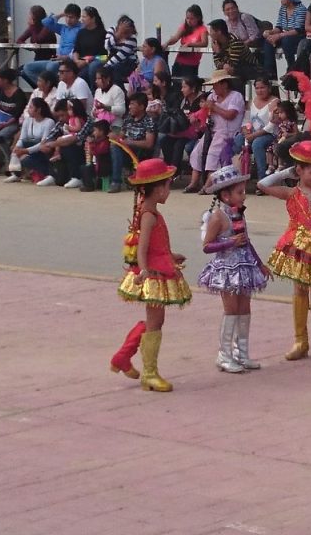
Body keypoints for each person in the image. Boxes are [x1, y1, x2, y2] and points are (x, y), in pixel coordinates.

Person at [257, 141, 311, 369]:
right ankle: (300, 341)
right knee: (299, 292)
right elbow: (263, 184)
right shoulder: (291, 193)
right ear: (299, 171)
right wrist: (285, 172)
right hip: (297, 246)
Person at [110, 158, 192, 392]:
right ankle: (149, 374)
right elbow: (143, 247)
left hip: (159, 266)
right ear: (157, 189)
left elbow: (156, 245)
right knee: (156, 322)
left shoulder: (149, 210)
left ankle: (123, 357)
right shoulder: (149, 214)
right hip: (154, 274)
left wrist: (170, 254)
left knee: (155, 320)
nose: (168, 191)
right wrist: (145, 270)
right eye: (167, 186)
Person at [198, 165, 271, 373]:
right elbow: (206, 246)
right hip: (227, 269)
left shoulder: (239, 214)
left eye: (243, 191)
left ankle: (242, 353)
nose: (244, 196)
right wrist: (229, 242)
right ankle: (224, 354)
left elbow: (247, 241)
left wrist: (260, 264)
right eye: (240, 192)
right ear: (225, 195)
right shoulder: (218, 217)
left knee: (244, 309)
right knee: (230, 310)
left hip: (245, 266)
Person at [185, 69, 244, 193]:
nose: (214, 88)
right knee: (197, 152)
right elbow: (208, 115)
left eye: (216, 84)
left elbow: (231, 115)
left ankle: (208, 186)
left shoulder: (236, 96)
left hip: (228, 132)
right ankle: (193, 183)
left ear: (224, 84)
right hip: (211, 130)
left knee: (213, 154)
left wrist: (214, 107)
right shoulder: (212, 96)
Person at [0, 68, 28, 175]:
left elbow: (17, 114)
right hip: (0, 120)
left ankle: (9, 160)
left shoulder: (18, 93)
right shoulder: (0, 90)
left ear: (6, 80)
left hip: (13, 122)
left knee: (1, 136)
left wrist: (6, 124)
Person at [160, 75, 207, 175]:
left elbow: (201, 122)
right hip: (182, 130)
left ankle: (174, 173)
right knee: (164, 140)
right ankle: (168, 169)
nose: (182, 90)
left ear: (193, 88)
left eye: (184, 87)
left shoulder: (202, 101)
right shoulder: (182, 100)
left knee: (179, 144)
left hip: (195, 133)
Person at [233, 77, 278, 181]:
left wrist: (253, 135)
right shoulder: (252, 101)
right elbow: (246, 119)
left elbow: (271, 125)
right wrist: (245, 130)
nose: (260, 90)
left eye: (262, 87)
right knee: (238, 139)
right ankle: (239, 173)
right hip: (252, 132)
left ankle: (262, 178)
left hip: (269, 134)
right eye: (257, 88)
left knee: (257, 144)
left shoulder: (275, 102)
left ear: (269, 88)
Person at [6, 97, 57, 185]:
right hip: (30, 146)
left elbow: (43, 143)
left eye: (31, 107)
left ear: (38, 110)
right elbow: (22, 138)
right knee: (18, 149)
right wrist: (17, 147)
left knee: (28, 155)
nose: (28, 110)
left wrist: (25, 151)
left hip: (43, 149)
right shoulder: (28, 121)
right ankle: (16, 174)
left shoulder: (49, 122)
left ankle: (48, 174)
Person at [262, 0, 307, 78]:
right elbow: (279, 26)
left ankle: (291, 68)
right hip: (285, 34)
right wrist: (270, 32)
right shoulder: (283, 9)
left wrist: (279, 36)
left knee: (287, 41)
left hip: (297, 36)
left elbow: (298, 30)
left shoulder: (301, 9)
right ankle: (270, 71)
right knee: (268, 42)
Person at [115, 92, 159, 180]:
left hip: (141, 151)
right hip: (126, 148)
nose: (129, 107)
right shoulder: (128, 118)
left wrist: (130, 142)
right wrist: (116, 138)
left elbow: (149, 144)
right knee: (113, 146)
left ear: (142, 107)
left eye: (132, 104)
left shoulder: (149, 121)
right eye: (130, 104)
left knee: (117, 148)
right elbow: (121, 135)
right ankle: (114, 177)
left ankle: (116, 180)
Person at [17, 4, 59, 87]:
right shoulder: (33, 28)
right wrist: (29, 47)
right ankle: (38, 88)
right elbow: (19, 40)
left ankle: (46, 88)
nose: (28, 17)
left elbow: (38, 40)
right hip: (38, 59)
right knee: (21, 71)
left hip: (49, 59)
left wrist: (32, 26)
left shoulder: (47, 28)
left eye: (30, 15)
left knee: (26, 70)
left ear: (35, 18)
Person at [209, 18, 262, 83]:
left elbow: (232, 64)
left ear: (219, 32)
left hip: (250, 68)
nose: (210, 34)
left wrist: (219, 53)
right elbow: (216, 62)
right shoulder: (216, 43)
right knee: (218, 73)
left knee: (231, 71)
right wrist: (223, 65)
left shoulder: (235, 42)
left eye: (211, 31)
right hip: (233, 68)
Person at [163, 5, 208, 79]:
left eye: (192, 18)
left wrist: (190, 44)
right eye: (187, 18)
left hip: (191, 65)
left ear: (198, 18)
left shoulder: (202, 29)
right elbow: (175, 37)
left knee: (188, 86)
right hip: (179, 62)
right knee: (176, 84)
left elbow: (204, 43)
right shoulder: (184, 27)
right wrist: (166, 43)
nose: (189, 21)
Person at [70, 6, 107, 87]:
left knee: (85, 73)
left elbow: (103, 56)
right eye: (81, 17)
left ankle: (93, 91)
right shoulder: (81, 33)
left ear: (93, 18)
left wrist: (86, 61)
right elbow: (76, 50)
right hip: (81, 62)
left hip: (95, 61)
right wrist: (76, 61)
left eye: (84, 17)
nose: (82, 19)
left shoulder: (102, 33)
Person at [102, 15, 139, 84]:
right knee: (95, 67)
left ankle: (119, 90)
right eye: (124, 31)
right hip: (112, 57)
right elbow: (106, 46)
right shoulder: (112, 30)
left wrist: (105, 67)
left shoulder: (132, 39)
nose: (126, 34)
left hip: (128, 62)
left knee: (115, 69)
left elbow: (120, 56)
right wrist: (118, 35)